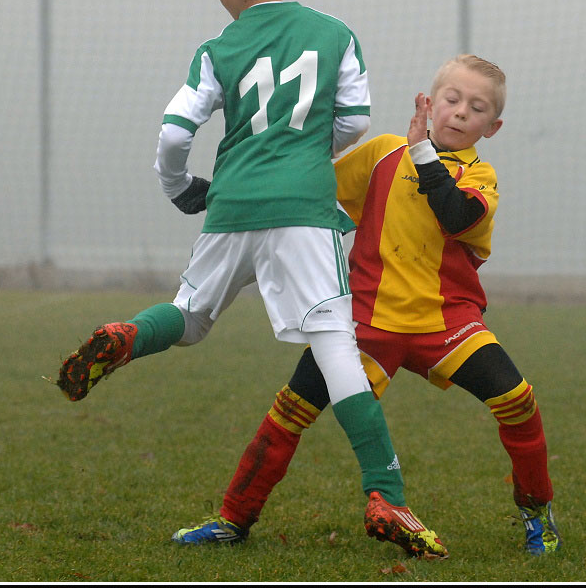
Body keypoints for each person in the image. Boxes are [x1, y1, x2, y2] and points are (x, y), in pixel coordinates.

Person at [54, 0, 446, 559]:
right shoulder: (335, 33)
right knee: (335, 348)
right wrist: (306, 150)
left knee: (188, 317)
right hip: (304, 211)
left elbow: (175, 133)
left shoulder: (218, 49)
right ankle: (386, 493)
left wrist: (179, 187)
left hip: (231, 203)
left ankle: (127, 336)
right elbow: (354, 121)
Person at [173, 55, 562, 556]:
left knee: (518, 402)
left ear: (493, 127)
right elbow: (309, 190)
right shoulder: (382, 154)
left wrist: (422, 153)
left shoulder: (479, 177)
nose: (462, 111)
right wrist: (222, 194)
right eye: (453, 99)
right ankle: (233, 519)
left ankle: (537, 513)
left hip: (447, 323)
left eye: (477, 107)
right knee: (290, 410)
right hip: (364, 325)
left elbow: (455, 215)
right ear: (430, 102)